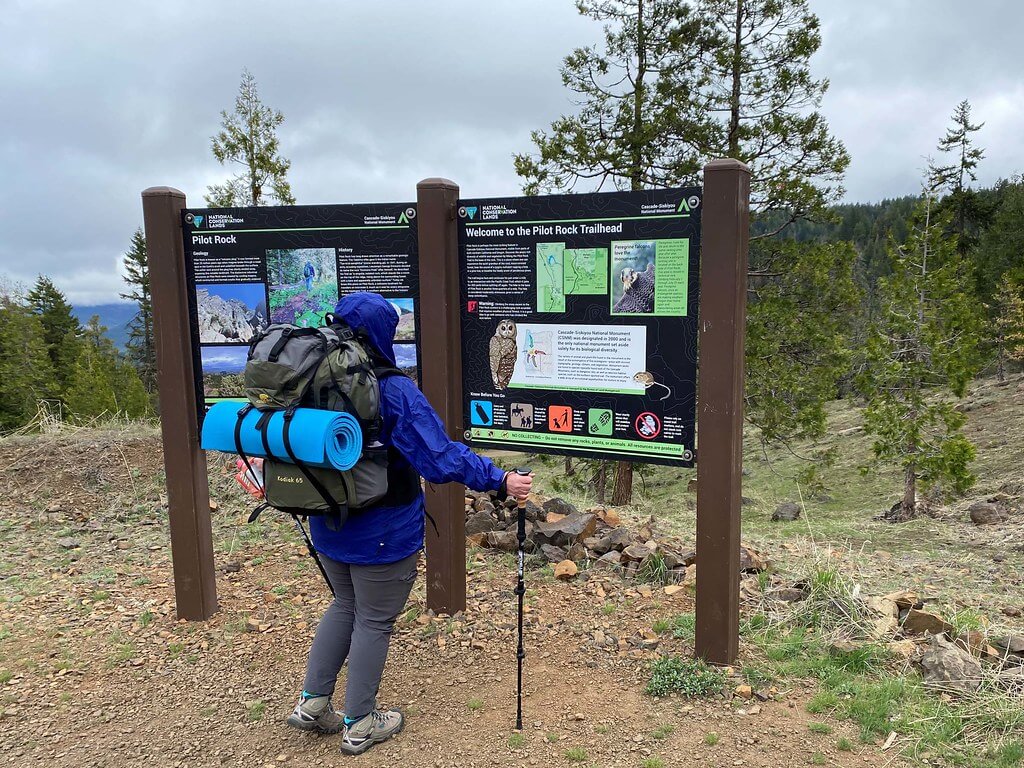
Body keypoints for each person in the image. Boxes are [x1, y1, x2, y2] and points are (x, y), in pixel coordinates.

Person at [285, 292, 532, 756]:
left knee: (344, 606)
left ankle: (313, 703)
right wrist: (499, 479)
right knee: (374, 620)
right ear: (380, 334)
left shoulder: (310, 378)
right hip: (383, 529)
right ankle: (360, 723)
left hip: (327, 520)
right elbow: (439, 458)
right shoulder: (392, 389)